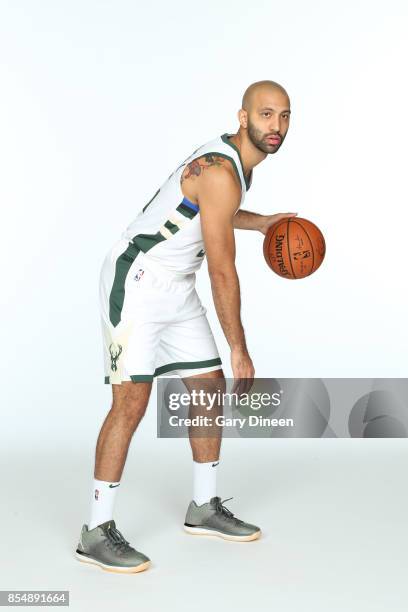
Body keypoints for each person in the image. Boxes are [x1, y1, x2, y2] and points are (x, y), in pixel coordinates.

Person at [75, 79, 297, 573]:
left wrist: (259, 222)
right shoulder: (222, 172)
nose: (276, 126)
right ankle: (94, 531)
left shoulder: (235, 168)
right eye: (265, 115)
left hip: (176, 284)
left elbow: (214, 213)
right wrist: (239, 347)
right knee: (132, 402)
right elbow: (222, 269)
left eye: (284, 116)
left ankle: (202, 509)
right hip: (137, 280)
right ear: (242, 118)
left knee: (206, 389)